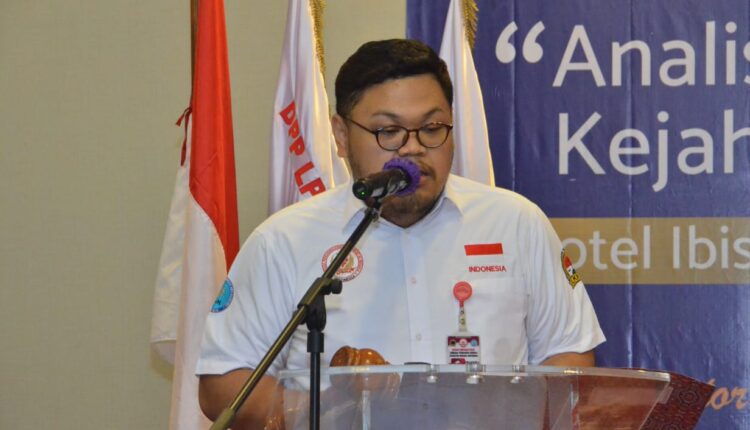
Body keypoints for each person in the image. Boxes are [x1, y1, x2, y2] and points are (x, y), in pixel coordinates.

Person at [197, 38, 605, 428]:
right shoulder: (284, 241)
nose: (412, 148)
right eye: (388, 132)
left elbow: (569, 359)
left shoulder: (516, 224)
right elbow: (223, 385)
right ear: (341, 136)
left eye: (432, 127)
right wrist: (329, 411)